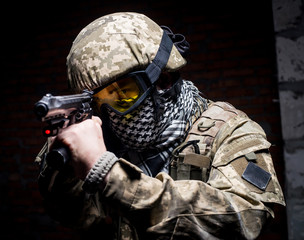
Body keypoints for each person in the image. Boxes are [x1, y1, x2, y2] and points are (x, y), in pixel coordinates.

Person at [36, 12, 285, 239]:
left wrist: (109, 174)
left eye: (125, 93)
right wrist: (65, 170)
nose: (113, 113)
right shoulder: (108, 140)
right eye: (102, 101)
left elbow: (244, 219)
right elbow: (76, 217)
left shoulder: (231, 132)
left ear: (163, 80)